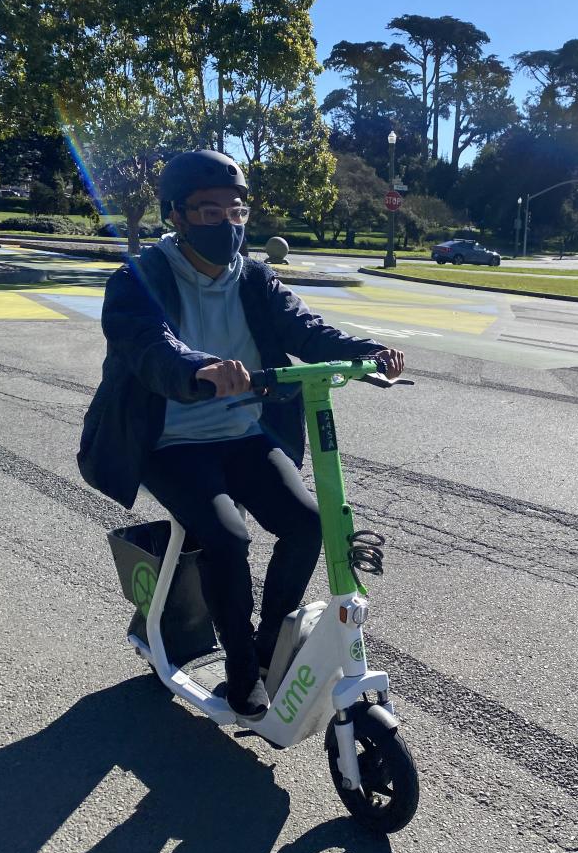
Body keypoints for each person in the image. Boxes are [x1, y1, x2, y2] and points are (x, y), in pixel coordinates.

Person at [78, 149, 404, 720]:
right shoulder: (139, 279)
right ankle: (235, 667)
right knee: (227, 539)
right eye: (209, 212)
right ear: (175, 216)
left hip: (241, 430)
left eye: (236, 211)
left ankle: (263, 650)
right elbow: (152, 349)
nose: (227, 224)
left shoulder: (253, 277)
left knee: (309, 525)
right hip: (168, 441)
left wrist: (365, 353)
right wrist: (198, 368)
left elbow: (305, 327)